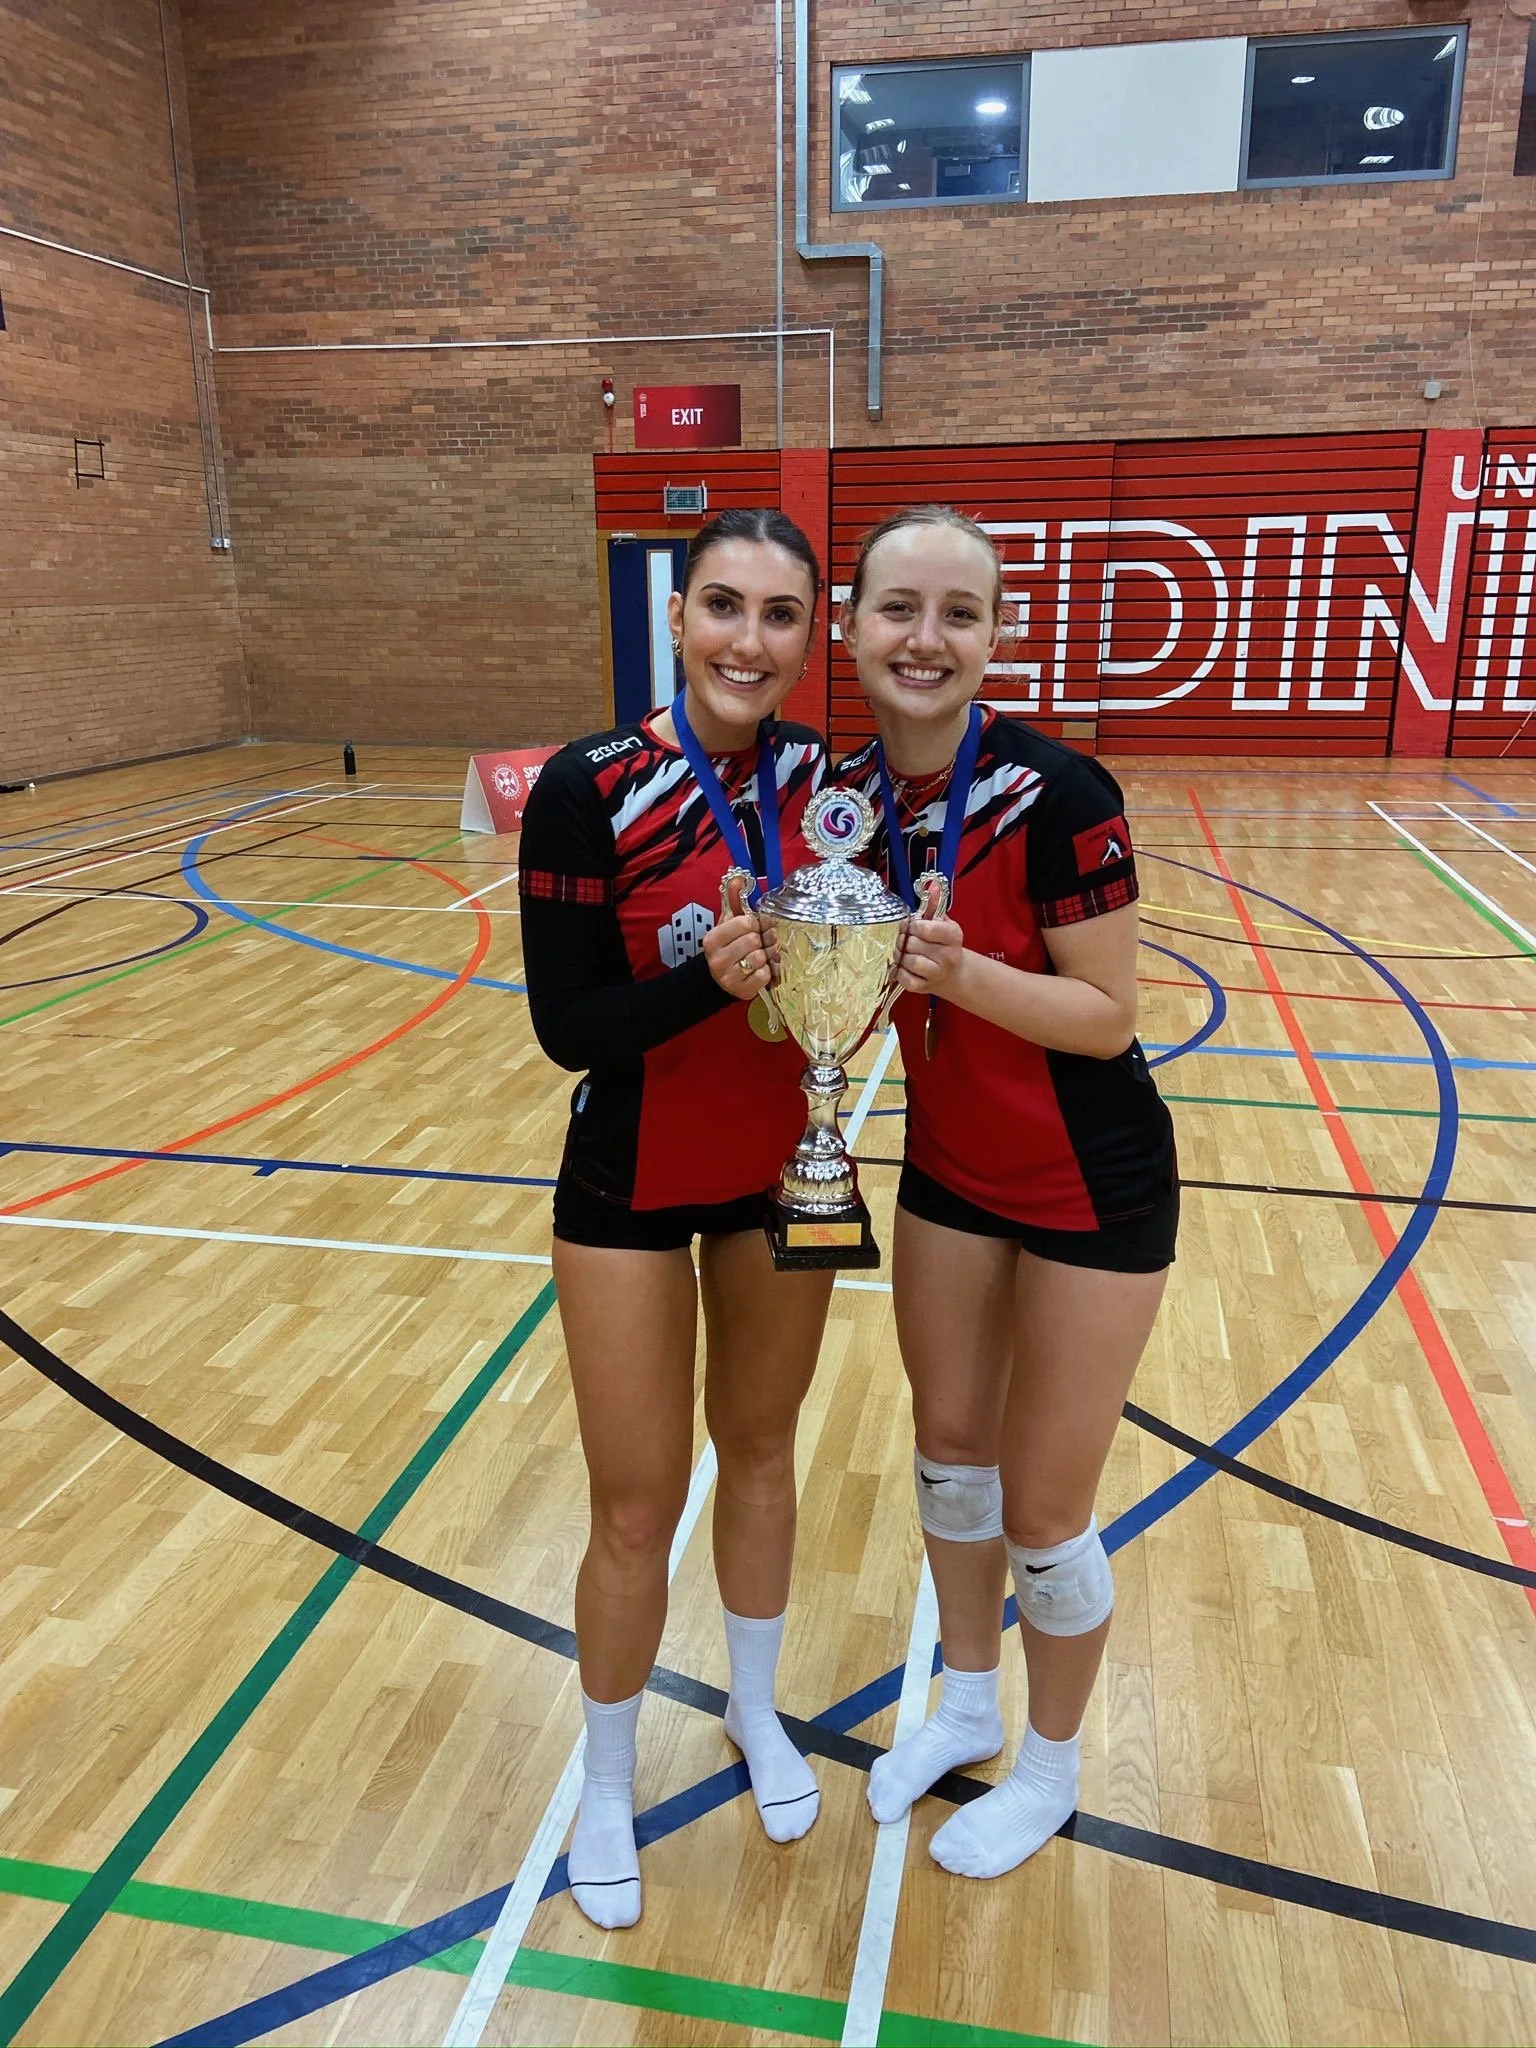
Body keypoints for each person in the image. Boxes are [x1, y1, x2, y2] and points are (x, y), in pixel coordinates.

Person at [837, 505, 1178, 1880]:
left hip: (1091, 1183)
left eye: (959, 613)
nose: (926, 638)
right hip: (948, 1173)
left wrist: (957, 970)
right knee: (949, 1452)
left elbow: (1107, 1017)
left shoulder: (1060, 794)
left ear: (997, 635)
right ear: (854, 629)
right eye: (899, 608)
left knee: (1043, 1508)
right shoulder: (845, 801)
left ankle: (1048, 1766)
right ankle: (967, 1700)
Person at [518, 507, 833, 1929]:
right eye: (723, 605)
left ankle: (756, 1711)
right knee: (635, 1503)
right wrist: (706, 982)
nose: (747, 641)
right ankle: (604, 1781)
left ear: (808, 638)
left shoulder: (830, 785)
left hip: (784, 1168)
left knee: (760, 1452)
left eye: (779, 615)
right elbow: (568, 1027)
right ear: (677, 616)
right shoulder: (589, 785)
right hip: (627, 1183)